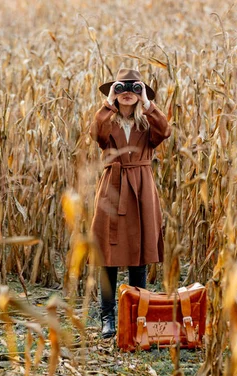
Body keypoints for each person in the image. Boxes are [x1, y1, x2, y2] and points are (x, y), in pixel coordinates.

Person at [90, 68, 171, 339]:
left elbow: (165, 130)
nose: (127, 94)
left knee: (140, 255)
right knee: (108, 255)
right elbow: (97, 135)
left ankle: (140, 316)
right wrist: (108, 101)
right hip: (112, 188)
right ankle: (107, 317)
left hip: (141, 187)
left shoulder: (147, 123)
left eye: (134, 89)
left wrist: (148, 103)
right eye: (121, 88)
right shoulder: (108, 120)